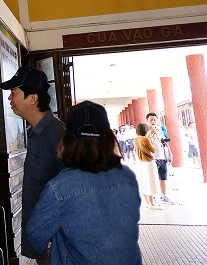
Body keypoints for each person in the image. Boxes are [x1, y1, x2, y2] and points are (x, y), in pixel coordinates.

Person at [26, 101, 142, 265]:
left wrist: (48, 248)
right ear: (109, 138)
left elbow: (35, 232)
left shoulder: (59, 188)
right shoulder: (127, 178)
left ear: (67, 142)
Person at [0, 66, 65, 265]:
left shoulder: (57, 136)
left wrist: (55, 237)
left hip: (55, 241)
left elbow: (69, 193)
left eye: (14, 93)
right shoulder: (35, 133)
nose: (10, 99)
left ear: (33, 98)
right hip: (44, 237)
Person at [146, 112, 174, 205]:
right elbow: (145, 142)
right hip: (154, 158)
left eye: (154, 120)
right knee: (153, 178)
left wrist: (169, 154)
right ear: (147, 121)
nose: (153, 121)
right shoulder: (146, 131)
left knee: (163, 177)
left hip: (163, 157)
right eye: (151, 120)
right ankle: (152, 197)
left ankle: (163, 196)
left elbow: (165, 143)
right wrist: (150, 133)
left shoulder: (160, 130)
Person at [134, 123, 162, 209]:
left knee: (144, 182)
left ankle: (147, 203)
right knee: (150, 182)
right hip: (148, 162)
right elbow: (153, 150)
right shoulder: (145, 139)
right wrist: (151, 140)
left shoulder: (135, 139)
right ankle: (152, 204)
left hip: (141, 163)